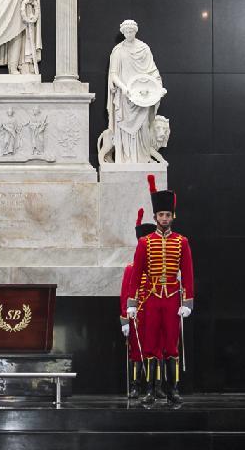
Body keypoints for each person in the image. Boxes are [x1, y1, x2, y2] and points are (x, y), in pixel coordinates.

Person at [126, 176, 194, 405]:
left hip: (173, 297)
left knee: (172, 345)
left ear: (173, 216)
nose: (164, 218)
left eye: (168, 215)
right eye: (161, 215)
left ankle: (173, 389)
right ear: (155, 217)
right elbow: (136, 274)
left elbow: (188, 272)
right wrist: (132, 304)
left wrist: (188, 303)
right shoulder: (145, 242)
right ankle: (149, 389)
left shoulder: (181, 242)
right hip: (153, 298)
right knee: (151, 345)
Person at [105, 20, 164, 164]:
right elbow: (114, 74)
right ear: (123, 33)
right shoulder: (118, 51)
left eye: (131, 31)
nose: (128, 34)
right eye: (126, 32)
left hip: (142, 97)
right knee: (124, 127)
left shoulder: (144, 49)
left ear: (135, 31)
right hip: (125, 96)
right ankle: (125, 159)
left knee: (143, 127)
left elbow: (153, 71)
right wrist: (124, 88)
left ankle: (142, 159)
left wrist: (159, 86)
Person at [120, 208, 155, 399]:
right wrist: (125, 321)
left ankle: (153, 386)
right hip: (137, 318)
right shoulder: (130, 269)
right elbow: (125, 295)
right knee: (136, 354)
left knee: (155, 351)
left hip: (155, 315)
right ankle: (135, 385)